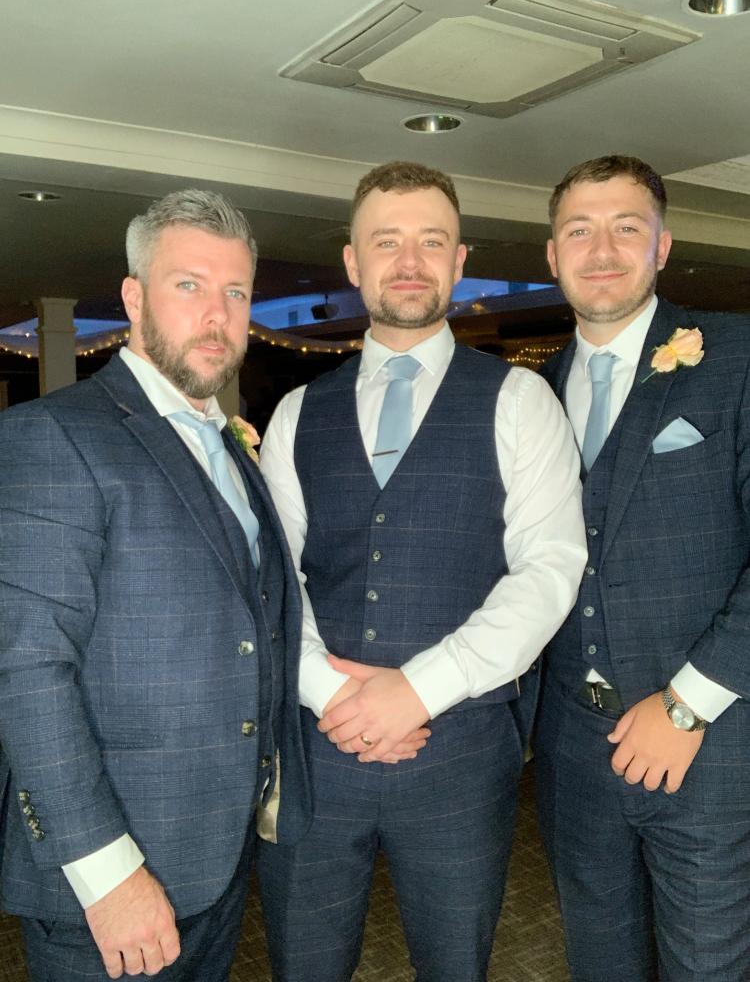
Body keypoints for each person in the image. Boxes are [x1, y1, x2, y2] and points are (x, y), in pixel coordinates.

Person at [257, 160, 587, 981]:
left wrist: (419, 688)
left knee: (455, 965)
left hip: (460, 751)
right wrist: (334, 696)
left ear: (460, 258)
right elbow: (270, 581)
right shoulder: (296, 413)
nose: (409, 261)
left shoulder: (521, 401)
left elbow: (549, 569)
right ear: (352, 262)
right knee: (304, 965)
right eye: (386, 241)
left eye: (431, 241)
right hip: (317, 747)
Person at [0, 189, 311, 981]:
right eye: (189, 285)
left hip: (218, 854)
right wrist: (107, 875)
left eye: (235, 291)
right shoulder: (53, 435)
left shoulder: (228, 444)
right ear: (134, 298)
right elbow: (26, 670)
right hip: (110, 883)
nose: (216, 314)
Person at [535, 154, 750, 981]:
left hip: (712, 750)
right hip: (572, 756)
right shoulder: (531, 394)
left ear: (662, 246)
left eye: (627, 228)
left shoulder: (736, 356)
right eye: (579, 231)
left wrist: (688, 705)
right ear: (552, 254)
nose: (602, 250)